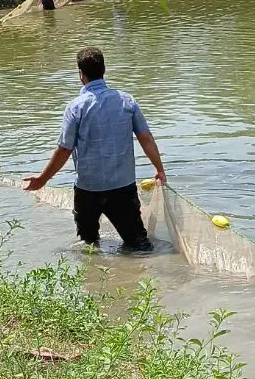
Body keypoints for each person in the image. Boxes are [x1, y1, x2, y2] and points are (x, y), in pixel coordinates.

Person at [24, 46, 166, 252]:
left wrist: (43, 179)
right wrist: (159, 169)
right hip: (122, 188)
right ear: (104, 70)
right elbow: (146, 138)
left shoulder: (75, 107)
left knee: (89, 246)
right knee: (139, 246)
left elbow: (64, 149)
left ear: (81, 74)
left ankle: (93, 281)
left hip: (88, 190)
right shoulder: (127, 101)